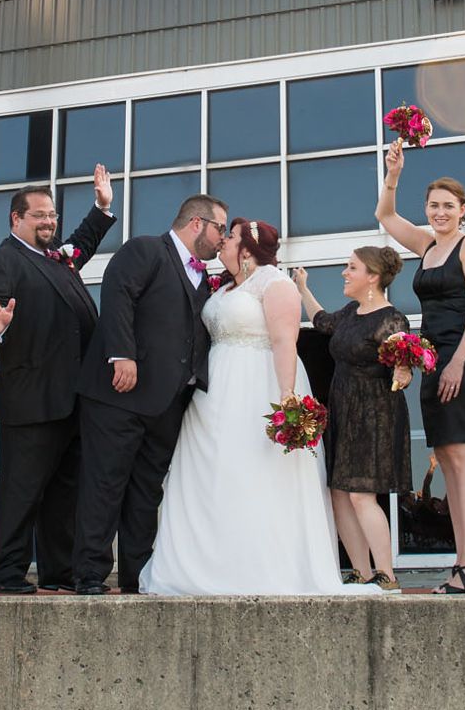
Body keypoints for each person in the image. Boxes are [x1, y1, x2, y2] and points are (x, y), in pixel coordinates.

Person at [143, 220, 367, 596]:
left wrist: (287, 398)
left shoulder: (274, 284)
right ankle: (204, 566)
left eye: (229, 237)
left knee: (255, 471)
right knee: (212, 478)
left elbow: (284, 342)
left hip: (257, 386)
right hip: (211, 396)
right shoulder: (225, 287)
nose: (222, 242)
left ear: (246, 249)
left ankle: (260, 568)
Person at [72, 194, 227, 595]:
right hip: (118, 397)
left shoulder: (203, 278)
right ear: (197, 223)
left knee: (145, 493)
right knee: (104, 484)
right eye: (219, 229)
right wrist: (121, 353)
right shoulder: (145, 249)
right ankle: (90, 573)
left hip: (167, 405)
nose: (222, 238)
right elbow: (117, 292)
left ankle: (137, 576)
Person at [0, 170, 117, 594]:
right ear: (15, 219)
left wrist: (102, 208)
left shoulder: (57, 258)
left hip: (72, 400)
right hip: (31, 399)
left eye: (52, 215)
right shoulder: (3, 260)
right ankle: (7, 573)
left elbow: (84, 241)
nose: (49, 223)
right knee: (22, 491)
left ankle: (59, 571)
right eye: (39, 216)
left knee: (64, 493)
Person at [375, 142, 465, 594]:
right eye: (433, 205)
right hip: (433, 361)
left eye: (448, 206)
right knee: (446, 459)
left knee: (463, 459)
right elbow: (386, 216)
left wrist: (459, 362)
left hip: (461, 359)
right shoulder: (427, 245)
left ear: (463, 209)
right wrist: (394, 173)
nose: (440, 212)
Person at [294, 246, 415, 590]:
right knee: (339, 493)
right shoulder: (350, 312)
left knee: (362, 494)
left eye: (352, 268)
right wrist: (302, 288)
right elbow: (322, 322)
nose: (345, 273)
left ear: (373, 277)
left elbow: (403, 362)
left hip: (374, 413)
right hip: (343, 408)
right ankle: (361, 573)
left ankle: (387, 576)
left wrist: (405, 370)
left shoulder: (392, 319)